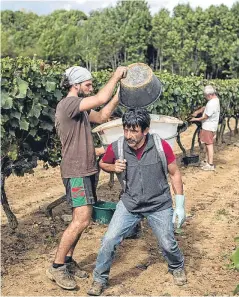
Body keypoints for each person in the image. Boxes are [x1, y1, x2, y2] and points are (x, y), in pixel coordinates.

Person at [88, 108, 187, 296]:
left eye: (134, 131)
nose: (128, 135)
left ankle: (177, 265)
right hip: (130, 204)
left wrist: (180, 205)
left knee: (167, 242)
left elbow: (174, 173)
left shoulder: (160, 146)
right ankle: (99, 279)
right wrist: (112, 166)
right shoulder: (117, 147)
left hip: (158, 204)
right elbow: (102, 163)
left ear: (145, 130)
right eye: (126, 129)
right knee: (108, 240)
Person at [46, 65, 127, 290]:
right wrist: (117, 75)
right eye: (88, 84)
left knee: (81, 220)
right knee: (81, 220)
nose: (91, 88)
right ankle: (56, 266)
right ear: (76, 85)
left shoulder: (79, 109)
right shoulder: (69, 103)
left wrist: (120, 95)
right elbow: (101, 97)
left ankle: (69, 262)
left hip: (87, 169)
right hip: (77, 171)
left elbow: (102, 116)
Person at [190, 85, 220, 171]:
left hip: (208, 127)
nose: (205, 97)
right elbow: (205, 107)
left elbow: (204, 117)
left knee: (209, 145)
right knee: (207, 144)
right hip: (211, 126)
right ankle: (206, 161)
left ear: (209, 95)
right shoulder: (215, 99)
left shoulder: (212, 104)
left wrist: (194, 119)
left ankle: (210, 164)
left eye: (205, 96)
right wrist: (197, 112)